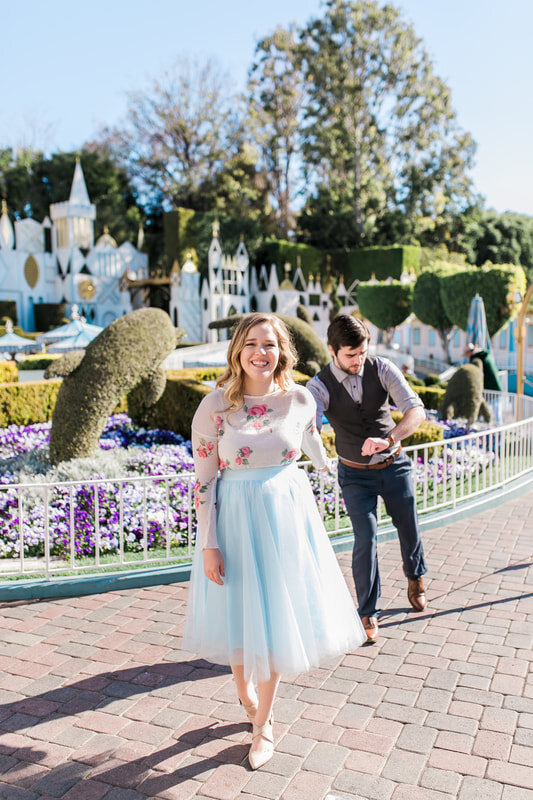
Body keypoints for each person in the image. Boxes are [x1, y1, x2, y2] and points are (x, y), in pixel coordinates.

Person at [183, 312, 366, 770]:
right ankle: (244, 692)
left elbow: (310, 441)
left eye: (269, 344)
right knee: (242, 611)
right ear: (237, 351)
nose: (259, 353)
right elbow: (204, 481)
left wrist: (334, 462)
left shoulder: (300, 399)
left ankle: (264, 724)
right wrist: (209, 543)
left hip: (285, 513)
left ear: (282, 351)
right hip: (234, 516)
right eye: (250, 344)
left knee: (276, 615)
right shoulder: (213, 407)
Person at [307, 314, 428, 644]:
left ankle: (415, 576)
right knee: (366, 538)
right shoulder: (317, 386)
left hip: (394, 464)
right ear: (332, 350)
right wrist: (312, 439)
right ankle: (367, 611)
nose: (358, 361)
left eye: (362, 353)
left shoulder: (383, 368)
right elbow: (311, 425)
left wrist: (389, 439)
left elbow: (416, 411)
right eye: (350, 355)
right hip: (354, 475)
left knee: (408, 525)